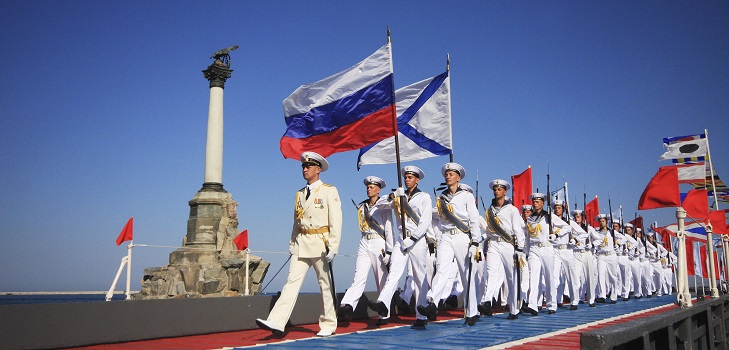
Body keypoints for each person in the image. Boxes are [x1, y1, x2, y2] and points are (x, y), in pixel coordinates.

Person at [256, 151, 342, 337]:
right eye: (303, 166)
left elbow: (336, 220)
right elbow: (297, 221)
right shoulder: (300, 193)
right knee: (291, 283)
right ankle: (277, 321)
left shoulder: (328, 190)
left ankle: (328, 324)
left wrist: (334, 246)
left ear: (318, 170)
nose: (304, 169)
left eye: (308, 166)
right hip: (302, 243)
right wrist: (292, 243)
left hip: (321, 243)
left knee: (325, 285)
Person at [417, 163, 482, 325]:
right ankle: (432, 302)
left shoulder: (466, 196)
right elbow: (434, 214)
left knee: (466, 275)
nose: (448, 176)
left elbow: (473, 219)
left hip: (462, 237)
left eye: (451, 174)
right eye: (446, 174)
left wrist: (475, 241)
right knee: (442, 269)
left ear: (458, 178)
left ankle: (472, 311)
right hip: (445, 237)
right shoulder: (441, 198)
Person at [369, 165, 432, 329]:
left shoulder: (424, 197)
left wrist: (412, 239)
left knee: (419, 277)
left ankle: (421, 314)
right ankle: (383, 303)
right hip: (400, 240)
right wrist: (393, 194)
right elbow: (379, 204)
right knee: (394, 273)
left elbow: (425, 221)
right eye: (406, 177)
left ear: (417, 180)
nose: (407, 179)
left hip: (416, 240)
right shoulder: (398, 197)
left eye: (410, 177)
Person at [337, 176, 393, 326]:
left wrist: (389, 250)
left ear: (378, 189)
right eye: (367, 187)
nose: (369, 189)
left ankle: (384, 313)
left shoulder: (384, 206)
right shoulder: (362, 206)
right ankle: (348, 306)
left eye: (372, 187)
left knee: (381, 279)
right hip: (364, 241)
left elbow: (389, 228)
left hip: (379, 242)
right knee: (358, 276)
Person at [479, 179, 525, 319]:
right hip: (493, 244)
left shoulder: (512, 209)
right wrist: (480, 238)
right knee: (492, 273)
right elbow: (489, 230)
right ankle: (487, 301)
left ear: (505, 192)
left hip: (507, 244)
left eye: (499, 189)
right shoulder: (489, 210)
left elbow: (518, 230)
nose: (496, 191)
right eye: (495, 189)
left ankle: (514, 309)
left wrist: (520, 248)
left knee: (511, 277)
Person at [524, 193, 570, 315]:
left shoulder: (549, 216)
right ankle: (532, 305)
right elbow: (528, 237)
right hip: (534, 249)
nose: (535, 203)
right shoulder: (530, 219)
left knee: (549, 276)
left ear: (543, 203)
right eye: (534, 201)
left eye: (538, 201)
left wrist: (556, 234)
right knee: (533, 277)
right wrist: (527, 252)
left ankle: (551, 304)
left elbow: (567, 227)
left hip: (546, 248)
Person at [551, 200, 580, 310]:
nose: (557, 209)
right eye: (556, 208)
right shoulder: (552, 221)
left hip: (567, 250)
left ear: (563, 210)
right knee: (554, 277)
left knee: (570, 277)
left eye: (559, 208)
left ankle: (574, 301)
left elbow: (584, 234)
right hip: (555, 250)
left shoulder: (569, 222)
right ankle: (554, 302)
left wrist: (575, 240)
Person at [592, 214, 618, 304]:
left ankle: (613, 296)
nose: (601, 223)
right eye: (600, 221)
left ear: (606, 222)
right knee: (601, 275)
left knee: (613, 276)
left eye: (603, 221)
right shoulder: (596, 232)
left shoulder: (612, 232)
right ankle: (602, 295)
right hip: (601, 255)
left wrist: (617, 244)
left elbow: (624, 239)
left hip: (611, 255)